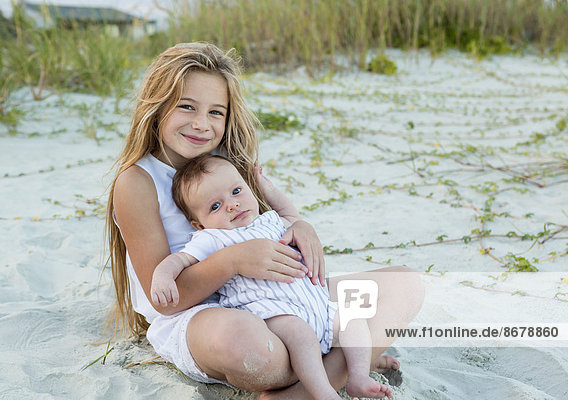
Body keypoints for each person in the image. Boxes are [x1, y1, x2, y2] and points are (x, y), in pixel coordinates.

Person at [106, 42, 424, 398]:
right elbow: (167, 300)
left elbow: (269, 222)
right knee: (248, 346)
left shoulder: (226, 161)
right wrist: (232, 261)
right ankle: (344, 364)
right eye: (186, 106)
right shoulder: (138, 182)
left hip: (280, 295)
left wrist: (301, 227)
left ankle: (309, 387)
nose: (201, 123)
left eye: (216, 112)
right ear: (157, 106)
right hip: (202, 315)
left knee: (404, 285)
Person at [151, 153, 393, 399]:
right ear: (199, 225)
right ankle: (324, 392)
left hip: (317, 306)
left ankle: (359, 376)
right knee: (302, 337)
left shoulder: (270, 220)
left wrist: (265, 185)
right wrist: (163, 274)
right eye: (215, 206)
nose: (232, 205)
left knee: (353, 319)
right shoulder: (213, 238)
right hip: (274, 313)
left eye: (236, 191)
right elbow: (180, 259)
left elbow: (290, 213)